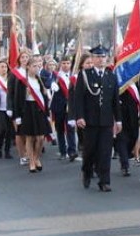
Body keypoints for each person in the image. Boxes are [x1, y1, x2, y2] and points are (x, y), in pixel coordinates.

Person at [74, 46, 123, 192]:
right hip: (90, 120)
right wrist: (79, 117)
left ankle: (104, 181)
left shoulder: (111, 76)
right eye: (98, 57)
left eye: (103, 57)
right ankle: (87, 171)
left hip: (106, 121)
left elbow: (115, 100)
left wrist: (118, 120)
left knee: (105, 151)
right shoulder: (84, 75)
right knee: (90, 151)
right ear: (93, 59)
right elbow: (78, 99)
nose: (101, 59)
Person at [12, 56, 50, 173]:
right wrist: (17, 116)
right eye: (34, 66)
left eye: (38, 66)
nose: (36, 68)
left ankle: (36, 157)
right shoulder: (22, 81)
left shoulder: (41, 80)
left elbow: (45, 98)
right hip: (28, 109)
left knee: (40, 138)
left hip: (39, 110)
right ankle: (32, 161)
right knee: (30, 137)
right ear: (28, 67)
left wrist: (47, 113)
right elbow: (17, 99)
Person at [50, 57, 78, 161]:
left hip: (70, 106)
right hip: (58, 106)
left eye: (68, 63)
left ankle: (72, 151)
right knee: (60, 129)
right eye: (64, 63)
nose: (66, 65)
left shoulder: (73, 75)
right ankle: (62, 151)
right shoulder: (56, 75)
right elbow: (49, 82)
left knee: (70, 128)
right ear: (60, 64)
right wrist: (52, 84)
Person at [0, 59, 14, 159]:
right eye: (1, 67)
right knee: (2, 128)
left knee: (9, 130)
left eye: (5, 66)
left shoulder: (11, 78)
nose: (3, 69)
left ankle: (7, 150)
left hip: (9, 108)